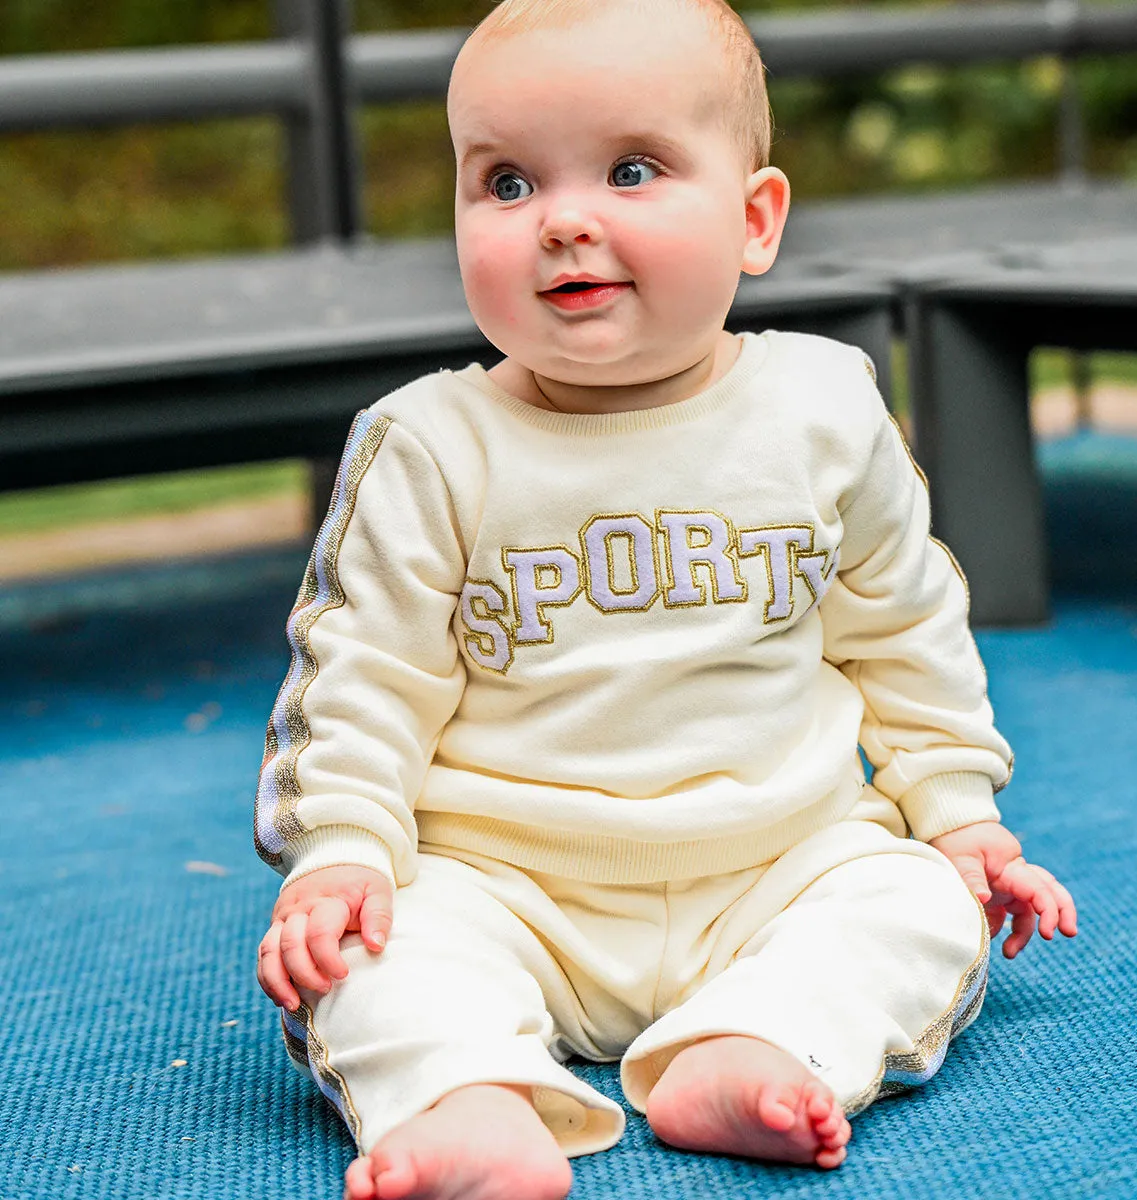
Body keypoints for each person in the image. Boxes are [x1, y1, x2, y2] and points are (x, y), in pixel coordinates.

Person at [254, 1, 1079, 1197]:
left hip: (775, 862)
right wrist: (343, 854)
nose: (564, 221)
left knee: (917, 905)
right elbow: (360, 675)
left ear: (755, 222)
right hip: (505, 882)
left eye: (631, 171)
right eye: (505, 183)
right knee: (367, 959)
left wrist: (958, 815)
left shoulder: (824, 408)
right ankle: (468, 1103)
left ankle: (754, 1043)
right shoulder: (429, 443)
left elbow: (902, 629)